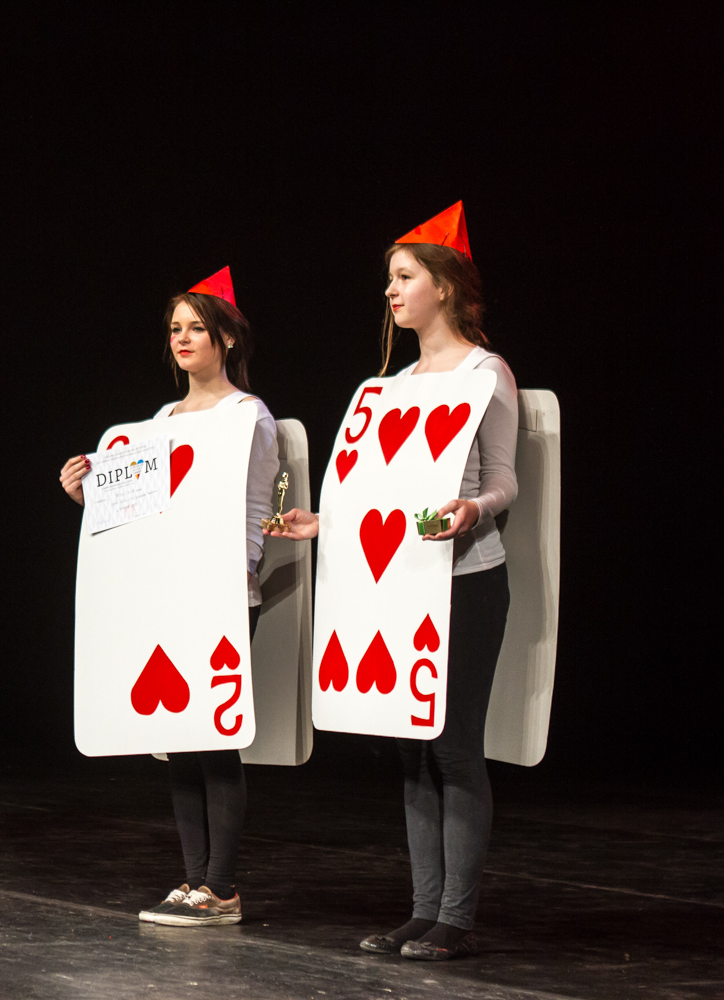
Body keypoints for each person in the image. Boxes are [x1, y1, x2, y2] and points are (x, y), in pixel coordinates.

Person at [269, 202, 518, 960]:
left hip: (466, 580)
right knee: (411, 749)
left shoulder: (485, 373)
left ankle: (456, 920)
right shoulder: (393, 385)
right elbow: (376, 496)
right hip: (402, 582)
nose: (390, 290)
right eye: (389, 279)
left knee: (454, 747)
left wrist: (472, 509)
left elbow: (505, 480)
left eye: (404, 277)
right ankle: (422, 912)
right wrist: (325, 523)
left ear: (444, 286)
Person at [59, 267, 280, 927]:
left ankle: (222, 887)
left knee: (214, 737)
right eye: (176, 328)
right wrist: (88, 496)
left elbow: (252, 514)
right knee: (178, 738)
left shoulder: (248, 416)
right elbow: (141, 516)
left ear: (226, 339)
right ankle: (193, 881)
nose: (183, 338)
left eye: (196, 328)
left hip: (221, 595)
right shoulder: (159, 422)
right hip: (166, 594)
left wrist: (226, 582)